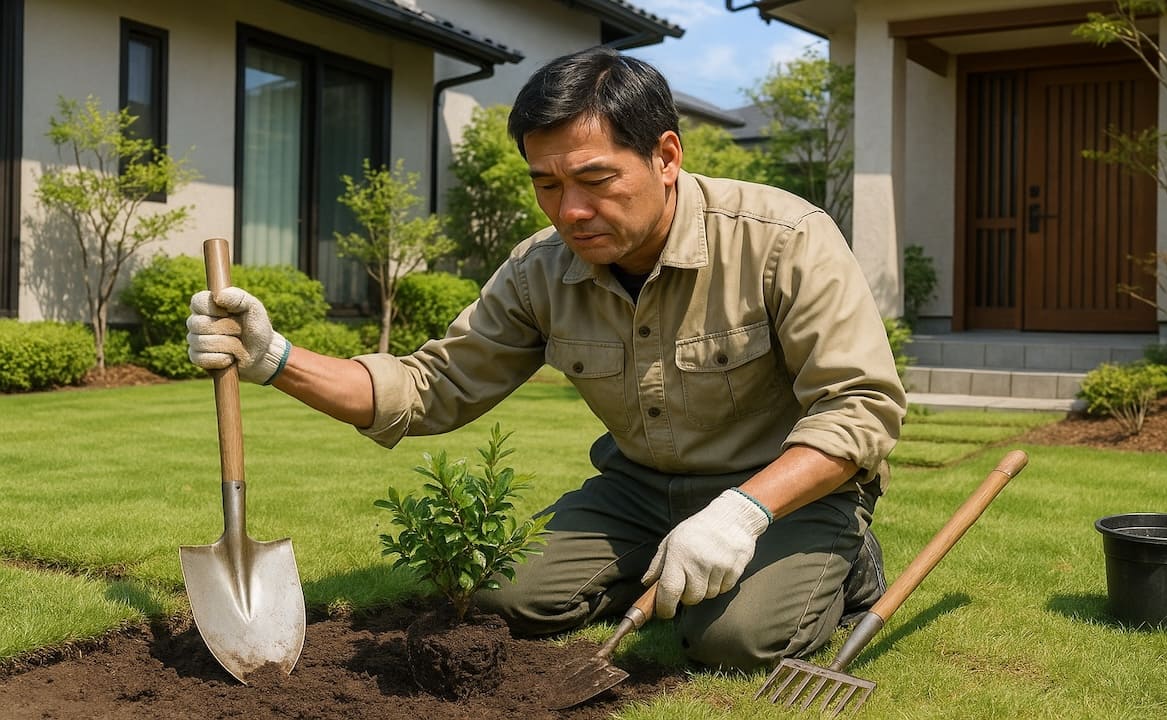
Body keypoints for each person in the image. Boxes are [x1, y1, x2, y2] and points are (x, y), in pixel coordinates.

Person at [187, 46, 906, 671]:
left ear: (666, 155)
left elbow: (863, 406)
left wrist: (743, 513)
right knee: (503, 597)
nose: (569, 211)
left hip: (780, 490)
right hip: (639, 490)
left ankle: (847, 558)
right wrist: (275, 357)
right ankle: (660, 557)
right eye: (546, 184)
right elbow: (431, 386)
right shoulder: (541, 270)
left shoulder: (783, 239)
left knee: (734, 639)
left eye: (595, 180)